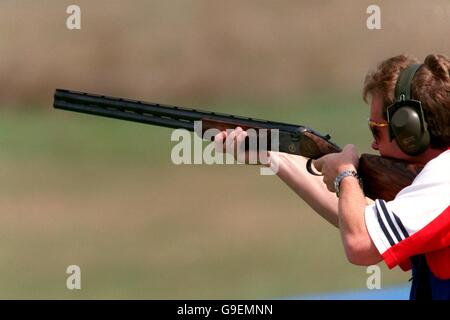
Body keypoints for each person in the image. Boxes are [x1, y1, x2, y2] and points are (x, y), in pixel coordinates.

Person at [214, 54, 450, 300]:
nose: (373, 144)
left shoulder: (444, 181)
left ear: (408, 130)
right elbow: (362, 220)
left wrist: (346, 174)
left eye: (376, 130)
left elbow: (361, 244)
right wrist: (273, 156)